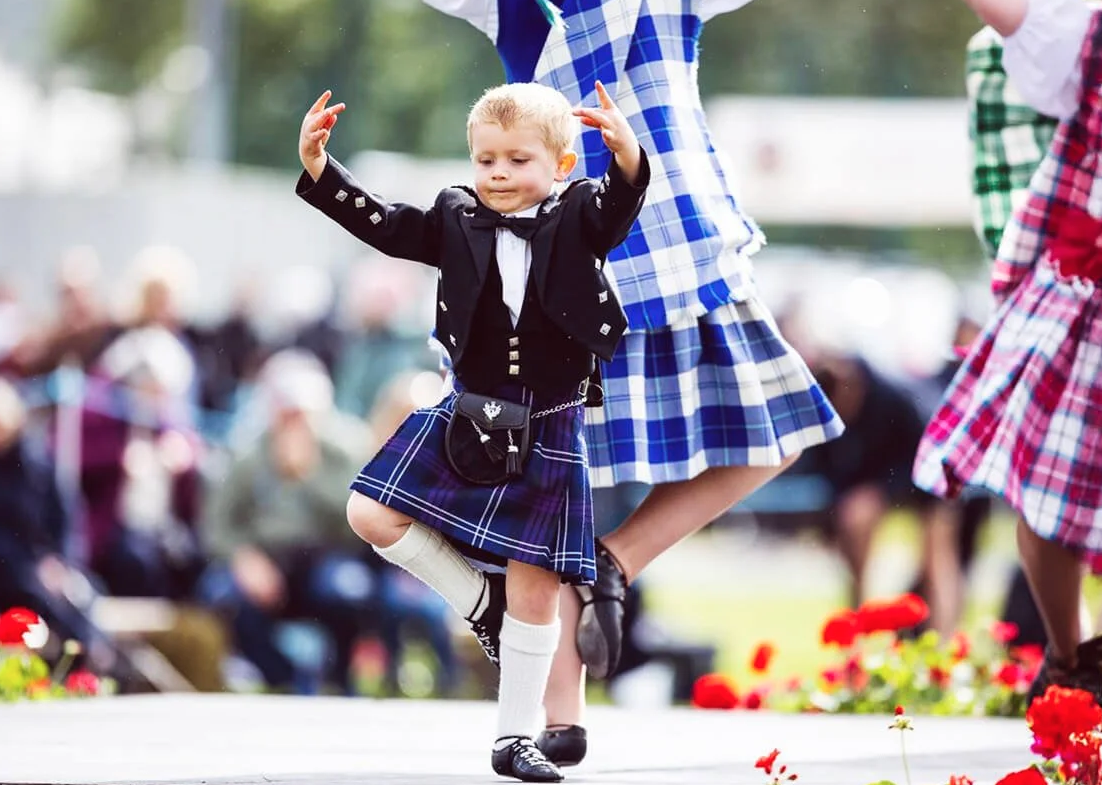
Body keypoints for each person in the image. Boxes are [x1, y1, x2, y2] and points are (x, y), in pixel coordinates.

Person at [423, 0, 844, 764]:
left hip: (660, 253)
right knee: (542, 490)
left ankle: (612, 562)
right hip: (573, 265)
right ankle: (560, 715)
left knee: (773, 435)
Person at [296, 81, 649, 782]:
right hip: (470, 409)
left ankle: (514, 737)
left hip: (550, 416)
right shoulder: (456, 214)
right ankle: (478, 602)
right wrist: (319, 170)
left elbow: (617, 205)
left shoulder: (580, 213)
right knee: (369, 509)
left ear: (561, 165)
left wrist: (628, 156)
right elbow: (388, 224)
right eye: (486, 159)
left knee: (536, 585)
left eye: (518, 160)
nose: (497, 174)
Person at [912, 0, 1102, 701]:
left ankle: (1072, 658)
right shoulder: (1085, 32)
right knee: (1047, 487)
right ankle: (1071, 653)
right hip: (1088, 283)